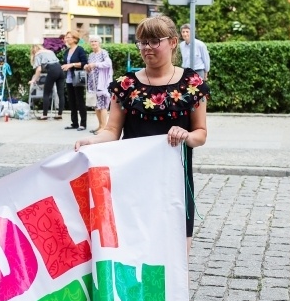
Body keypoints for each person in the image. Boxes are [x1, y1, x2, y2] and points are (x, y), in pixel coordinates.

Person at [75, 16, 209, 251]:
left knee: (176, 255)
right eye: (142, 42)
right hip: (133, 182)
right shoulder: (125, 85)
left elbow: (201, 134)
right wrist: (91, 141)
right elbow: (112, 131)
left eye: (154, 41)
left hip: (175, 183)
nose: (147, 47)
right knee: (135, 251)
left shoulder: (193, 84)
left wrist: (186, 135)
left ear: (173, 42)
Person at [84, 35, 113, 134]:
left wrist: (95, 64)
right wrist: (87, 67)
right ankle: (100, 125)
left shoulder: (103, 53)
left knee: (102, 105)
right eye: (92, 41)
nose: (93, 43)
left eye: (95, 41)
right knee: (96, 105)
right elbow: (90, 68)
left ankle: (104, 127)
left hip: (101, 83)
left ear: (99, 42)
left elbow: (108, 64)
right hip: (92, 82)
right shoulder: (91, 55)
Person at [28, 42, 64, 120]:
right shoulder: (50, 51)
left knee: (46, 93)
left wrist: (33, 80)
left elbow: (39, 69)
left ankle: (44, 115)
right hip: (60, 69)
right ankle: (59, 114)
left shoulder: (37, 54)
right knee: (61, 93)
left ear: (33, 50)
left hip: (52, 70)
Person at [61, 30, 88, 131]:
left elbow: (84, 63)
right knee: (71, 101)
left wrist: (72, 65)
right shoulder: (67, 51)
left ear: (75, 39)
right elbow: (65, 62)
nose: (66, 39)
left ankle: (83, 124)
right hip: (69, 79)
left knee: (80, 101)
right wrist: (64, 66)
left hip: (77, 78)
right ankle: (74, 123)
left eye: (68, 37)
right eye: (66, 37)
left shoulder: (80, 49)